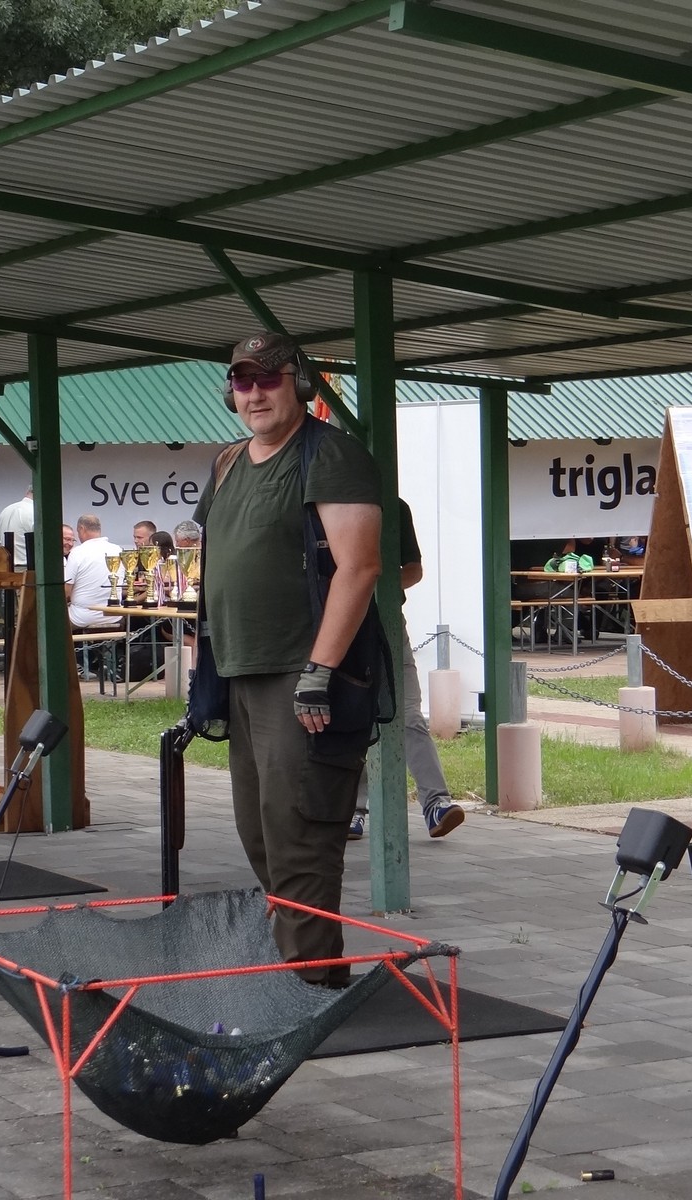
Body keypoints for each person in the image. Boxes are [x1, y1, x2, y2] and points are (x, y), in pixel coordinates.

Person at [193, 331, 382, 987]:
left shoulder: (329, 455)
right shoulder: (225, 464)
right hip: (240, 671)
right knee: (260, 830)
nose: (254, 393)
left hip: (302, 675)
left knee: (301, 827)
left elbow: (360, 568)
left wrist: (319, 673)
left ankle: (310, 983)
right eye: (242, 381)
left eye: (267, 379)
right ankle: (302, 960)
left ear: (297, 383)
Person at [350, 500, 464, 841]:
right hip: (341, 623)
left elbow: (414, 568)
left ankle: (436, 804)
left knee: (409, 714)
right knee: (356, 718)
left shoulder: (395, 508)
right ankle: (353, 809)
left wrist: (380, 581)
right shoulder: (327, 500)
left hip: (388, 621)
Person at [65, 514, 121, 630]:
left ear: (82, 529)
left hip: (81, 617)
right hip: (114, 615)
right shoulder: (118, 550)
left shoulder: (77, 552)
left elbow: (66, 591)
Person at [0, 485, 35, 568]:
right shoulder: (35, 512)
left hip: (6, 569)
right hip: (29, 570)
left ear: (27, 492)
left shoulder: (5, 510)